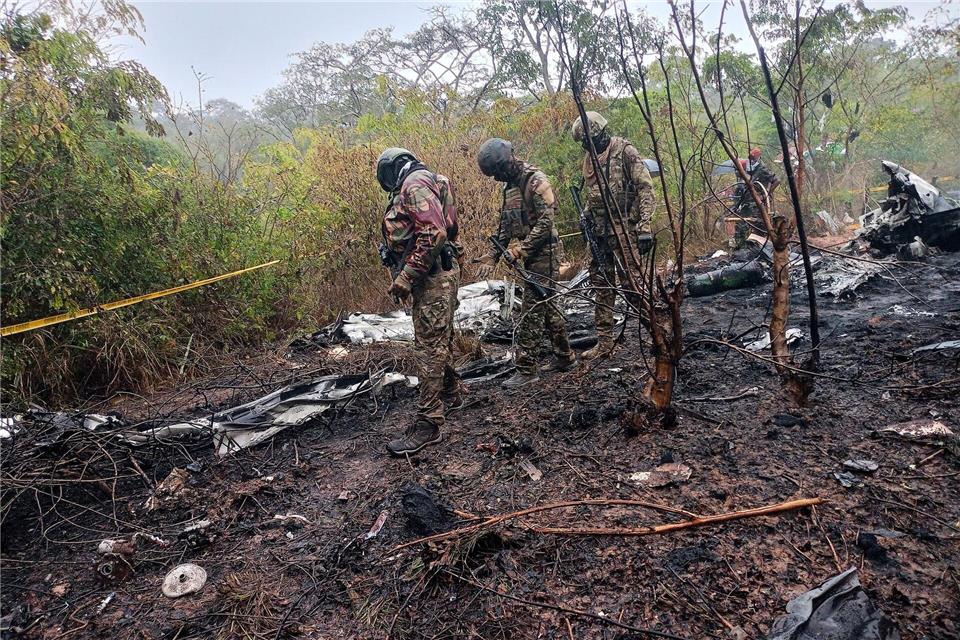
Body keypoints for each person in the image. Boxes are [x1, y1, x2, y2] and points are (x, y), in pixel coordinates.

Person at [376, 147, 463, 456]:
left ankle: (429, 424)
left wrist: (405, 277)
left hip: (432, 278)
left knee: (427, 348)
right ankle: (452, 393)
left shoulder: (413, 184)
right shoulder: (431, 180)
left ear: (391, 170)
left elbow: (434, 233)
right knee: (439, 341)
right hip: (439, 274)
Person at [473, 138, 579, 388]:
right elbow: (504, 225)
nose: (496, 178)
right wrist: (493, 254)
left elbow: (546, 222)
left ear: (507, 163)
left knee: (531, 310)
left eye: (497, 172)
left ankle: (526, 369)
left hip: (545, 252)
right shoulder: (509, 188)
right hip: (530, 254)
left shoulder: (536, 180)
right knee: (548, 304)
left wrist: (521, 249)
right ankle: (565, 357)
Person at [571, 111, 656, 360]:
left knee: (633, 286)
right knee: (603, 288)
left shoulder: (625, 151)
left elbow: (645, 188)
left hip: (624, 232)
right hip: (600, 233)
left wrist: (644, 226)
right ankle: (605, 343)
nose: (587, 146)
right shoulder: (589, 160)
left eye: (589, 140)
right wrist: (585, 215)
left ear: (600, 134)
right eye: (584, 143)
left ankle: (656, 333)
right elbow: (592, 195)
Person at [733, 147, 781, 249]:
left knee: (759, 224)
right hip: (748, 203)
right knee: (741, 222)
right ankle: (740, 245)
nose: (751, 160)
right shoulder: (750, 171)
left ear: (757, 157)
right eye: (750, 158)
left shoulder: (762, 169)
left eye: (753, 158)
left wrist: (766, 194)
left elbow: (776, 181)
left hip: (759, 203)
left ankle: (762, 245)